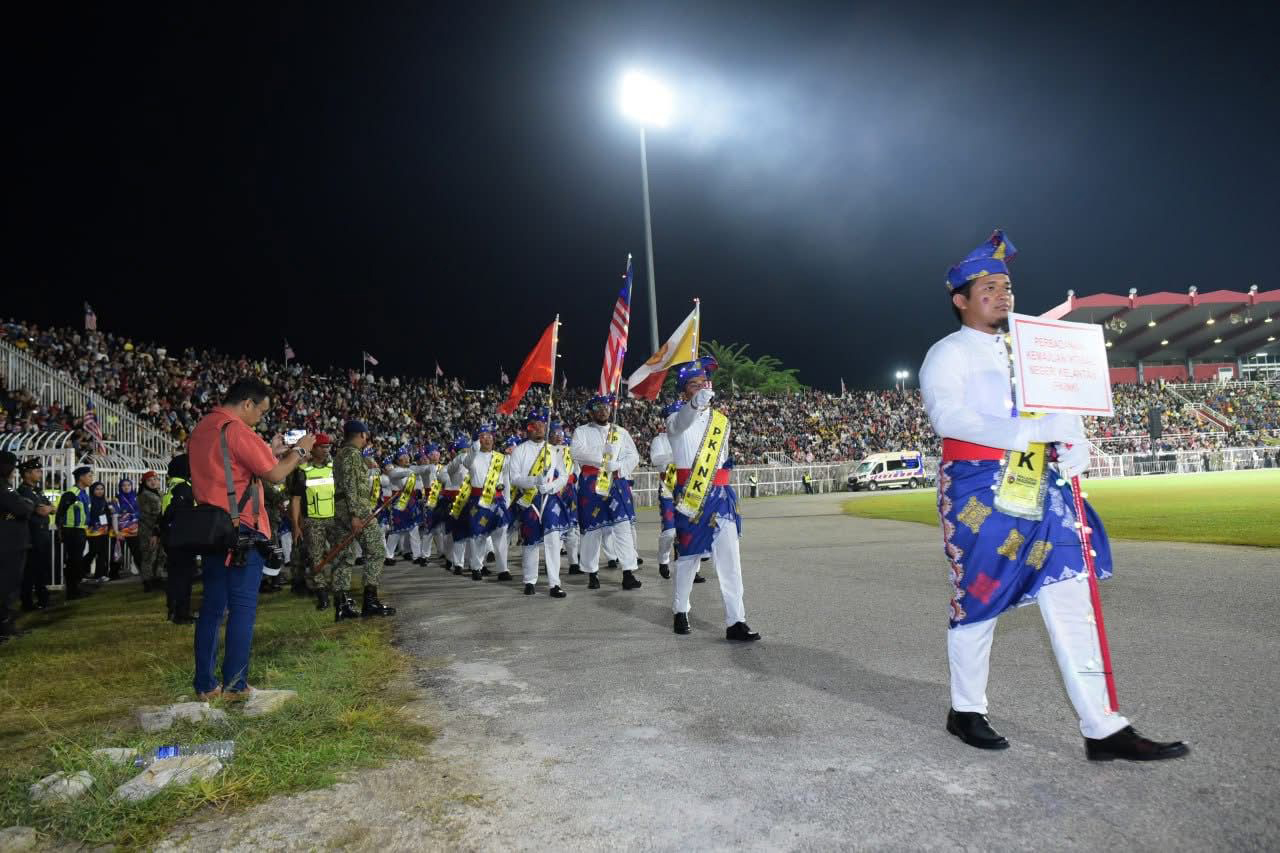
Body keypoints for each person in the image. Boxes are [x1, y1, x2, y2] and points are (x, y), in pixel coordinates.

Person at [919, 229, 1186, 761]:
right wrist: (1023, 435)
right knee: (980, 596)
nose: (1002, 293)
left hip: (1045, 485)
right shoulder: (946, 354)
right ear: (961, 299)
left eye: (1007, 285)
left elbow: (1063, 406)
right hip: (981, 487)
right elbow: (949, 416)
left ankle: (1103, 726)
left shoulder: (1032, 349)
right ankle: (966, 708)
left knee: (1073, 593)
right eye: (988, 286)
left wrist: (1075, 444)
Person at [187, 378, 316, 700]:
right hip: (243, 528)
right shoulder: (237, 429)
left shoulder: (204, 426)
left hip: (212, 527)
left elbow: (231, 467)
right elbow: (274, 474)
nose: (261, 417)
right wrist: (300, 451)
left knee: (213, 608)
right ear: (247, 403)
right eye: (261, 410)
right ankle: (235, 685)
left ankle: (205, 685)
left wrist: (269, 451)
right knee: (243, 608)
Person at [666, 357, 759, 641]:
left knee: (731, 561)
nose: (701, 388)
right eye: (693, 385)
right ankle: (680, 610)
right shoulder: (674, 419)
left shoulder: (722, 421)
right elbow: (683, 421)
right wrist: (694, 405)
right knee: (690, 559)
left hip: (721, 496)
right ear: (684, 392)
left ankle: (736, 621)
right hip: (692, 496)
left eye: (704, 383)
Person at [570, 395, 642, 591]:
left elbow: (633, 455)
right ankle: (592, 573)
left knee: (623, 527)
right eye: (598, 407)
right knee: (593, 530)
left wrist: (618, 465)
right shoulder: (581, 431)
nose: (603, 410)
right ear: (591, 411)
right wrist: (602, 456)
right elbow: (576, 452)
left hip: (616, 480)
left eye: (606, 407)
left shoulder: (620, 431)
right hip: (592, 484)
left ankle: (628, 572)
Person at [331, 420, 396, 620]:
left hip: (341, 508)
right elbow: (352, 486)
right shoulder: (352, 455)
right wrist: (356, 515)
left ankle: (342, 604)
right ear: (362, 435)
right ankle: (370, 601)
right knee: (377, 550)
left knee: (344, 555)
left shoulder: (341, 454)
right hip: (355, 509)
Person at [509, 407, 569, 597]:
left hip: (549, 498)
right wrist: (535, 481)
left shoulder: (553, 451)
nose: (541, 428)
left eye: (543, 425)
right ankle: (529, 580)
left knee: (553, 540)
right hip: (529, 499)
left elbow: (564, 475)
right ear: (529, 428)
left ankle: (554, 584)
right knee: (531, 541)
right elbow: (514, 478)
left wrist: (551, 487)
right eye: (537, 425)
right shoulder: (519, 451)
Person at [448, 422, 512, 582]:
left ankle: (503, 569)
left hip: (497, 500)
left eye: (490, 435)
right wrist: (474, 445)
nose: (487, 439)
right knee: (478, 536)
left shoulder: (501, 458)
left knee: (501, 535)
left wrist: (508, 499)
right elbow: (467, 462)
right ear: (477, 440)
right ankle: (476, 567)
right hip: (478, 500)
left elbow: (506, 481)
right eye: (483, 436)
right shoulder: (471, 457)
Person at [2, 451, 49, 640]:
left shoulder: (8, 488)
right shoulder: (6, 488)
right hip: (9, 544)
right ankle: (5, 628)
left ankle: (6, 626)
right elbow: (23, 508)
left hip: (13, 542)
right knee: (8, 586)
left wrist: (28, 506)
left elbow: (32, 507)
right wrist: (28, 506)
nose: (14, 471)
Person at [288, 432, 336, 611]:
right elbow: (295, 500)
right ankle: (322, 594)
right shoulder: (303, 472)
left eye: (328, 447)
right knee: (316, 558)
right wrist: (296, 525)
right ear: (313, 449)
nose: (326, 450)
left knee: (338, 554)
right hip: (312, 521)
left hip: (333, 519)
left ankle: (338, 590)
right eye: (322, 447)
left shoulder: (333, 468)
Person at [160, 452, 197, 624]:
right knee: (183, 577)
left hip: (172, 539)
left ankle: (174, 611)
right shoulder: (184, 488)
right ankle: (181, 613)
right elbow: (182, 514)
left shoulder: (173, 486)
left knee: (175, 576)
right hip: (182, 539)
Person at [16, 458, 52, 612]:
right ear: (27, 474)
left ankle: (43, 600)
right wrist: (48, 509)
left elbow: (51, 508)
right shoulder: (23, 491)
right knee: (30, 571)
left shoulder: (37, 490)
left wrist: (48, 508)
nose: (40, 473)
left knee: (41, 569)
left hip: (42, 534)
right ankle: (27, 603)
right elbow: (42, 510)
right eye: (37, 471)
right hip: (32, 536)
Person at [55, 465, 93, 600]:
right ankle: (72, 591)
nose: (91, 478)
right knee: (73, 562)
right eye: (89, 476)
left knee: (76, 561)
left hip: (80, 531)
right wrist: (61, 531)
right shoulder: (71, 493)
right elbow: (60, 514)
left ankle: (75, 589)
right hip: (71, 531)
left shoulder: (83, 494)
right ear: (81, 478)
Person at [137, 471, 166, 592]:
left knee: (161, 555)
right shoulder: (144, 495)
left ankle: (158, 578)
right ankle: (148, 582)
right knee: (149, 555)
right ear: (144, 483)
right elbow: (147, 516)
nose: (153, 482)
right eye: (149, 480)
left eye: (155, 479)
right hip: (149, 530)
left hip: (160, 529)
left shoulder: (161, 493)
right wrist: (155, 530)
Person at [83, 481, 117, 582]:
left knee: (102, 553)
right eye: (97, 489)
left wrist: (111, 509)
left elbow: (109, 514)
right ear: (93, 490)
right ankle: (80, 571)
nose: (100, 491)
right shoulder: (89, 501)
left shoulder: (105, 501)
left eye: (102, 489)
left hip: (104, 530)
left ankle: (100, 574)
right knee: (93, 552)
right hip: (92, 530)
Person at [113, 478, 142, 578]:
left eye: (128, 485)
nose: (126, 487)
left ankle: (142, 571)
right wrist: (116, 531)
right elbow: (115, 515)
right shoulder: (117, 499)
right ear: (120, 487)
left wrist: (135, 516)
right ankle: (114, 573)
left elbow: (141, 512)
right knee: (118, 551)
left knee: (136, 550)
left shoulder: (136, 497)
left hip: (134, 529)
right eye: (123, 485)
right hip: (121, 529)